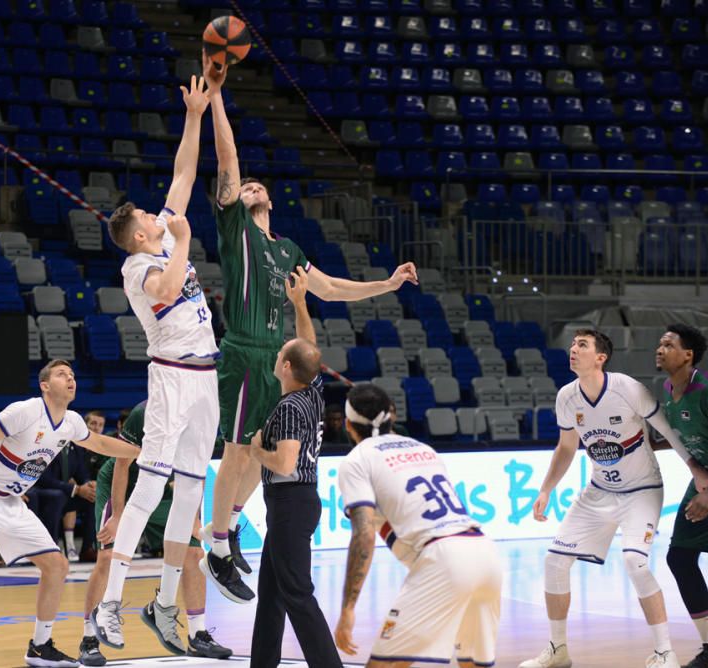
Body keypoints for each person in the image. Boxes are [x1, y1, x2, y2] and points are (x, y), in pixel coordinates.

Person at [199, 51, 419, 602]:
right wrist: (219, 98)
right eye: (241, 186)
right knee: (240, 450)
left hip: (284, 362)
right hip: (248, 350)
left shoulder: (289, 248)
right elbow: (227, 162)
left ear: (270, 197)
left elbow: (331, 288)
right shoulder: (237, 233)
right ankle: (217, 543)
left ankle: (226, 529)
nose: (247, 186)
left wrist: (387, 285)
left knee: (259, 452)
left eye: (255, 185)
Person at [93, 74, 220, 654]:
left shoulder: (161, 230)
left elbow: (185, 174)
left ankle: (165, 605)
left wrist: (196, 114)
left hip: (206, 375)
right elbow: (169, 289)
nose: (157, 210)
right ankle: (108, 606)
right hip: (169, 377)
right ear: (140, 232)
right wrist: (187, 242)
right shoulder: (135, 269)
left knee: (192, 492)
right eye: (150, 214)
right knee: (150, 489)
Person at [0, 360, 141, 668]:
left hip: (11, 502)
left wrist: (141, 452)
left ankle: (40, 646)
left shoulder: (71, 422)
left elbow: (98, 443)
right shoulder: (25, 411)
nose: (70, 378)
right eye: (61, 374)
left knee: (57, 565)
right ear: (45, 385)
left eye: (72, 375)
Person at [520, 329, 699, 668]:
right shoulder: (566, 397)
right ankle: (558, 651)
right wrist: (546, 488)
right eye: (572, 344)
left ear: (600, 357)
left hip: (642, 489)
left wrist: (697, 471)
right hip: (599, 490)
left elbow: (668, 431)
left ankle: (665, 652)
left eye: (582, 345)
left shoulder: (628, 388)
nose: (573, 349)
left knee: (635, 561)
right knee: (554, 562)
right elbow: (567, 447)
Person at [334, 383, 502, 668]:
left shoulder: (357, 460)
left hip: (444, 560)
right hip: (485, 553)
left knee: (384, 665)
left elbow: (363, 535)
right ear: (393, 417)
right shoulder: (425, 449)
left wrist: (348, 609)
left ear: (348, 425)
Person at [78, 400, 233, 666]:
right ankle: (89, 638)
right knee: (107, 557)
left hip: (163, 487)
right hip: (123, 485)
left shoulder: (203, 414)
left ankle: (198, 634)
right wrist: (117, 514)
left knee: (194, 551)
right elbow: (121, 464)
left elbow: (198, 474)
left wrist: (194, 517)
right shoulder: (145, 411)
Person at [242, 265, 343, 668]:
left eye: (281, 354)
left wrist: (255, 452)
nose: (279, 354)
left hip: (289, 500)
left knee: (297, 594)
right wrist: (300, 303)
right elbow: (308, 348)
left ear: (285, 367)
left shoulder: (286, 408)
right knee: (272, 595)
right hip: (299, 502)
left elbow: (283, 462)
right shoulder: (313, 395)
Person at [656, 324, 708, 668]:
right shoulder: (667, 389)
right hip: (705, 483)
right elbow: (681, 437)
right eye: (659, 344)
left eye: (668, 344)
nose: (659, 349)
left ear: (688, 355)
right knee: (679, 557)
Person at [84, 410, 108, 483]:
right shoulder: (74, 446)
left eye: (101, 425)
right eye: (93, 423)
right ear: (85, 424)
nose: (97, 428)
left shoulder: (105, 449)